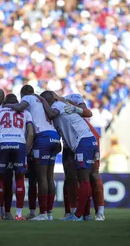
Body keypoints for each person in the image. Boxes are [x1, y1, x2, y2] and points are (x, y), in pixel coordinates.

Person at [37, 91, 98, 221]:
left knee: (83, 179)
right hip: (84, 142)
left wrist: (42, 100)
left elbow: (52, 114)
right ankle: (84, 214)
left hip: (84, 142)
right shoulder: (59, 108)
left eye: (44, 102)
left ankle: (78, 215)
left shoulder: (58, 105)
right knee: (82, 179)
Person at [6, 85, 61, 221]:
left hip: (42, 138)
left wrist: (6, 106)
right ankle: (48, 213)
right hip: (54, 137)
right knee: (48, 177)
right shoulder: (41, 102)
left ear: (23, 93)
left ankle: (42, 214)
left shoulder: (28, 97)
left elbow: (19, 107)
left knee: (40, 178)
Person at [0, 93, 34, 221]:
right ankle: (19, 215)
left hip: (2, 143)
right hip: (19, 144)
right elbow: (31, 133)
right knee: (20, 179)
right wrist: (25, 150)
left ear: (5, 102)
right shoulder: (25, 112)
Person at [62, 93, 105, 221]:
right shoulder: (51, 106)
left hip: (86, 137)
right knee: (70, 177)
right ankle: (74, 212)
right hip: (68, 142)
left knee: (93, 174)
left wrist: (75, 108)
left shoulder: (72, 97)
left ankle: (100, 212)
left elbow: (87, 112)